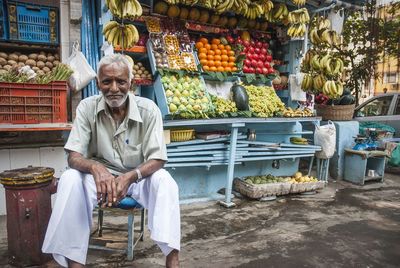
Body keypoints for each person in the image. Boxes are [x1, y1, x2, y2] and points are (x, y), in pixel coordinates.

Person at [42, 54, 180, 268]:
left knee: (166, 181)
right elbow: (73, 156)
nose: (114, 88)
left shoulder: (149, 110)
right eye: (107, 81)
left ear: (131, 83)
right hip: (99, 180)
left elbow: (158, 158)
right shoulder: (87, 108)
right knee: (70, 178)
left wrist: (131, 176)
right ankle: (74, 263)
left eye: (121, 81)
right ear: (98, 83)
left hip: (137, 178)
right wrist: (96, 167)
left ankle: (172, 260)